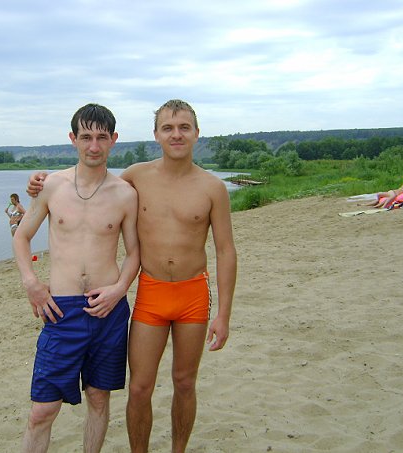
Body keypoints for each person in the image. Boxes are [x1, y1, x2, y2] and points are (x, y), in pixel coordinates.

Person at [27, 99, 238, 453]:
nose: (176, 134)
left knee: (185, 382)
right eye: (168, 128)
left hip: (192, 294)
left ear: (197, 133)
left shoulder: (212, 187)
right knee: (139, 387)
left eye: (184, 128)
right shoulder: (136, 176)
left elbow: (226, 251)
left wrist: (224, 314)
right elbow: (92, 181)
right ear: (156, 134)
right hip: (151, 292)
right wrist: (39, 182)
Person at [13, 103, 140, 453]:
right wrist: (31, 283)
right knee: (42, 410)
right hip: (61, 309)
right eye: (86, 137)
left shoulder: (125, 194)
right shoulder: (52, 186)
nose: (94, 146)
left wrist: (119, 289)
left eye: (102, 137)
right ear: (73, 139)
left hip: (108, 309)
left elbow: (134, 253)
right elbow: (22, 237)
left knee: (99, 398)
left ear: (114, 139)